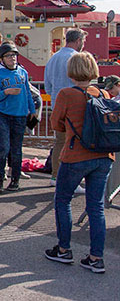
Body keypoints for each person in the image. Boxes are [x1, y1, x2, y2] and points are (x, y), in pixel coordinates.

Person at [45, 52, 115, 273]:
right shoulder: (102, 92)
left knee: (63, 200)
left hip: (75, 155)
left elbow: (56, 124)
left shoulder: (66, 94)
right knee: (96, 208)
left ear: (71, 71)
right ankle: (96, 258)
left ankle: (64, 250)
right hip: (103, 156)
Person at [0, 41, 35, 192]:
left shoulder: (23, 72)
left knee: (16, 149)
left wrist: (32, 109)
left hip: (20, 115)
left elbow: (28, 92)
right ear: (2, 59)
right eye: (8, 56)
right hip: (3, 114)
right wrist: (6, 92)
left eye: (14, 55)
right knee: (3, 147)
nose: (12, 58)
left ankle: (15, 179)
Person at [44, 28, 86, 188]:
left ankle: (55, 176)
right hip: (74, 108)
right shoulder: (77, 58)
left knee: (59, 142)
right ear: (78, 41)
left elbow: (47, 86)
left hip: (57, 106)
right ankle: (72, 181)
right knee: (76, 143)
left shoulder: (53, 58)